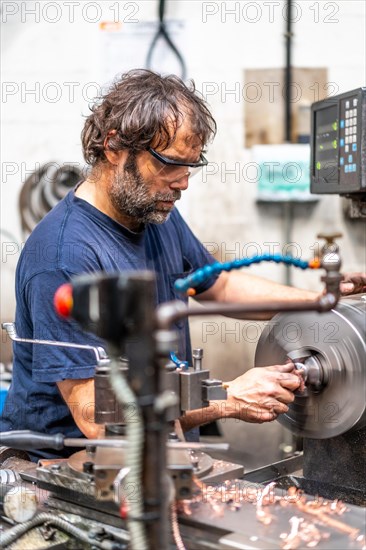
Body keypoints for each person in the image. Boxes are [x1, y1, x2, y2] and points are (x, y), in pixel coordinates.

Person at [1, 70, 365, 460]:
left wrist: (318, 301)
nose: (183, 183)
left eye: (191, 166)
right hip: (64, 468)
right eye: (170, 164)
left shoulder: (152, 210)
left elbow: (218, 286)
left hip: (153, 451)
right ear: (113, 148)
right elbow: (98, 419)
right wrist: (227, 399)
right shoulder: (64, 257)